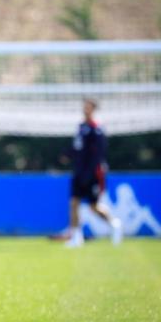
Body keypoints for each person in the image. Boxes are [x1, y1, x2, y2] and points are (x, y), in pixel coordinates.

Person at [64, 98, 122, 248]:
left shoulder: (97, 128)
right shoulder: (81, 127)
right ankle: (76, 237)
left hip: (92, 173)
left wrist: (89, 173)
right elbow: (78, 148)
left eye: (88, 107)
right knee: (74, 203)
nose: (85, 109)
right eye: (84, 107)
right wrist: (67, 154)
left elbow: (99, 154)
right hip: (78, 171)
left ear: (94, 109)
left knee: (93, 206)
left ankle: (114, 224)